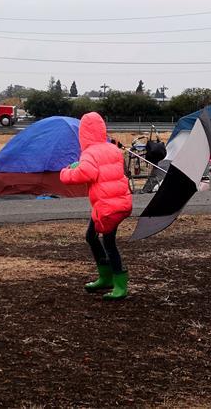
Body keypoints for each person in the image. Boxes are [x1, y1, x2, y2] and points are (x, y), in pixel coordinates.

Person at [60, 112, 133, 300]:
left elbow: (85, 174)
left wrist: (67, 172)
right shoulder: (113, 149)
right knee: (91, 236)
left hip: (108, 206)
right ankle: (106, 277)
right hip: (118, 202)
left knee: (109, 243)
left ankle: (119, 284)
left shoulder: (89, 153)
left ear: (83, 134)